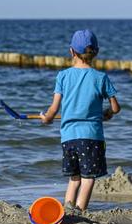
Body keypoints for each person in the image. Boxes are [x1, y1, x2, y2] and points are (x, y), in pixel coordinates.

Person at [41, 29, 120, 212]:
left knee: (74, 178)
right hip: (91, 136)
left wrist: (47, 119)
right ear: (96, 52)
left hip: (68, 137)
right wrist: (107, 113)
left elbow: (54, 109)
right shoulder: (101, 78)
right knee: (88, 178)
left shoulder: (63, 76)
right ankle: (80, 211)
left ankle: (66, 210)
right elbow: (116, 108)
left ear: (71, 51)